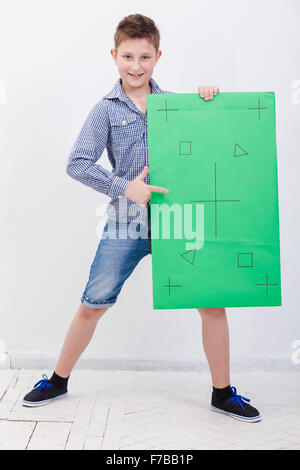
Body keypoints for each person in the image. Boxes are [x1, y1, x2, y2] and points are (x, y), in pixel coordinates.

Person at [22, 13, 261, 423]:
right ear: (114, 56)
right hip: (126, 222)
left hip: (178, 219)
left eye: (145, 57)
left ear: (158, 57)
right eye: (128, 56)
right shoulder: (105, 110)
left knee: (212, 303)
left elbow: (213, 142)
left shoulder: (177, 105)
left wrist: (211, 99)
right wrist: (123, 187)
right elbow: (77, 163)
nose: (136, 66)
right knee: (93, 303)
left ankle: (222, 393)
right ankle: (58, 380)